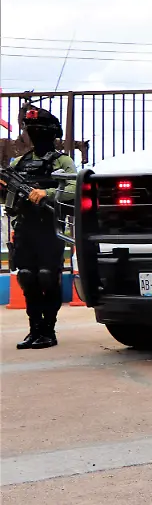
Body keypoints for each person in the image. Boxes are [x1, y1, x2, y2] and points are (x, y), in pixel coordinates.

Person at [1, 107, 76, 350]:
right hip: (24, 227)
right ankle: (34, 329)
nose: (33, 134)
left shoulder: (62, 161)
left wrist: (48, 193)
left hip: (49, 227)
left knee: (47, 275)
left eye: (39, 130)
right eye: (30, 130)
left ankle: (48, 330)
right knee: (26, 276)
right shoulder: (19, 162)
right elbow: (8, 197)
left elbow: (75, 188)